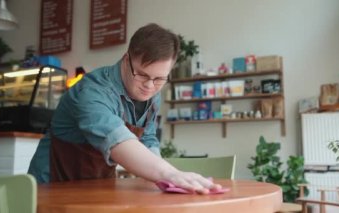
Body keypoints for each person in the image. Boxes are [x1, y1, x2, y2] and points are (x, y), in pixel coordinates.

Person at [28, 23, 221, 194]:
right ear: (126, 60)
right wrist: (169, 173)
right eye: (142, 75)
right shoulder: (93, 90)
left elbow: (147, 138)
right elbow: (116, 140)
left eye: (160, 78)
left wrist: (159, 179)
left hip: (98, 189)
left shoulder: (153, 95)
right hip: (52, 187)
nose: (150, 86)